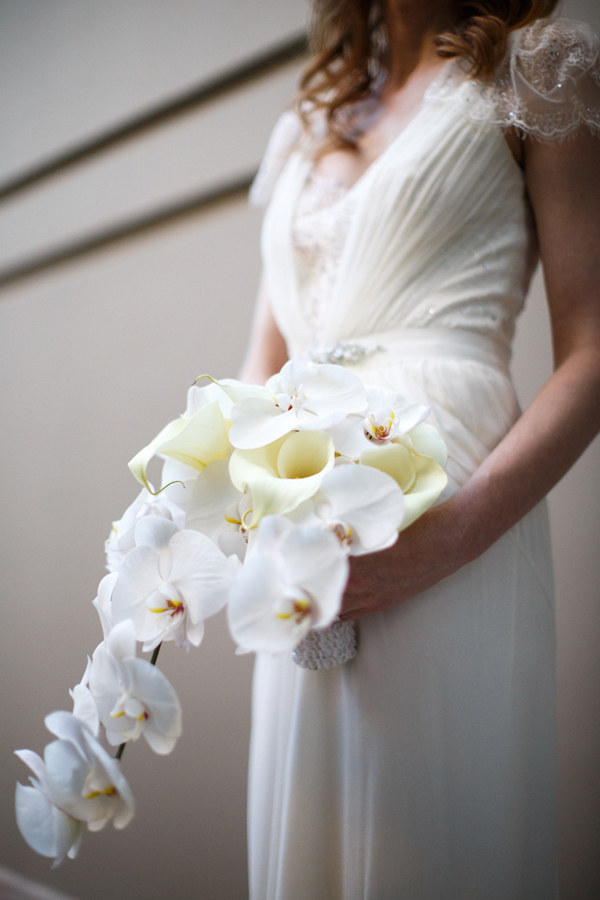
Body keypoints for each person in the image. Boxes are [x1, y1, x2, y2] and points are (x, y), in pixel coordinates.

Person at [239, 1, 600, 897]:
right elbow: (262, 363)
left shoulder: (535, 67)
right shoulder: (306, 122)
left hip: (452, 516)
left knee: (433, 838)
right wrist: (236, 514)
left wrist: (448, 537)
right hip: (301, 542)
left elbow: (594, 346)